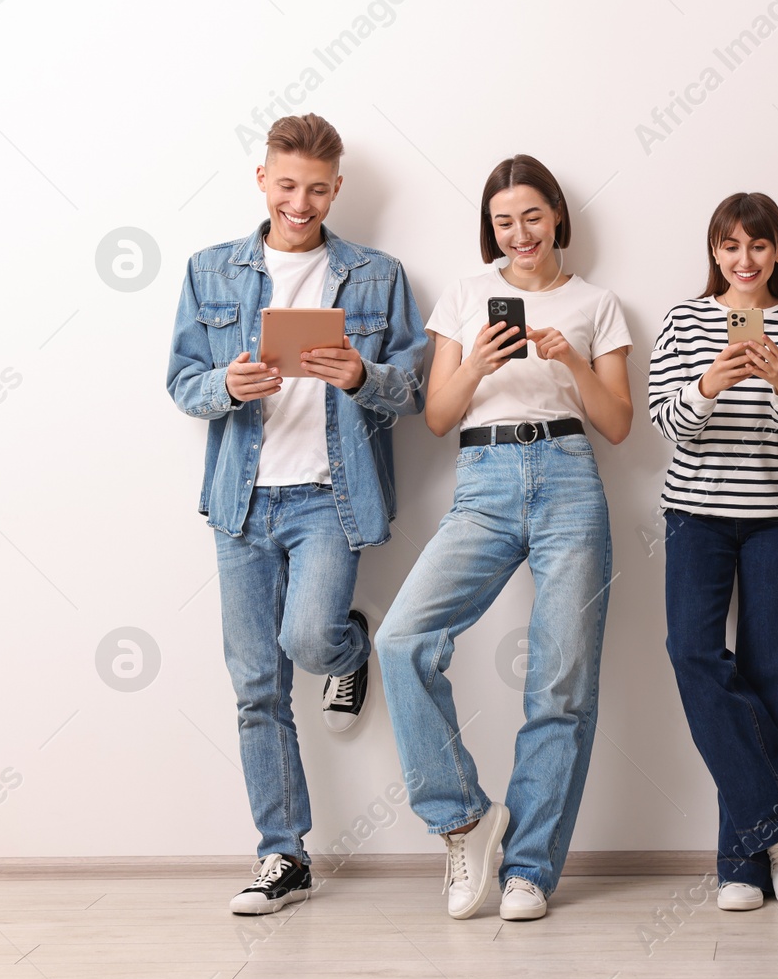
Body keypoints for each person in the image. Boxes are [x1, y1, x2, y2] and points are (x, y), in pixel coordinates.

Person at [166, 113, 427, 914]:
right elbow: (182, 380)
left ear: (337, 188)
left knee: (309, 637)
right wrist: (225, 388)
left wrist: (359, 375)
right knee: (256, 687)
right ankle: (284, 854)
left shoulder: (378, 276)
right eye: (287, 185)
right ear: (262, 181)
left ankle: (346, 646)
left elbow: (415, 386)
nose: (300, 202)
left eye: (317, 189)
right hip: (241, 504)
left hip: (328, 498)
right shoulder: (211, 270)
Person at [377, 155, 633, 923]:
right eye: (502, 221)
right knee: (400, 639)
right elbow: (437, 415)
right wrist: (479, 362)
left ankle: (530, 870)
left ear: (556, 214)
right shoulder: (465, 295)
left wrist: (574, 361)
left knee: (560, 684)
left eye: (530, 215)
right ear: (490, 229)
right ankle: (464, 815)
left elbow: (618, 423)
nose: (518, 233)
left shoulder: (598, 302)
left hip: (568, 477)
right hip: (484, 480)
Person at [649, 192, 778, 911]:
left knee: (771, 675)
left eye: (758, 246)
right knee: (690, 652)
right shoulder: (684, 319)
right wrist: (707, 385)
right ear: (715, 252)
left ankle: (741, 862)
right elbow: (669, 424)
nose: (744, 259)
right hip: (695, 514)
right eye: (730, 246)